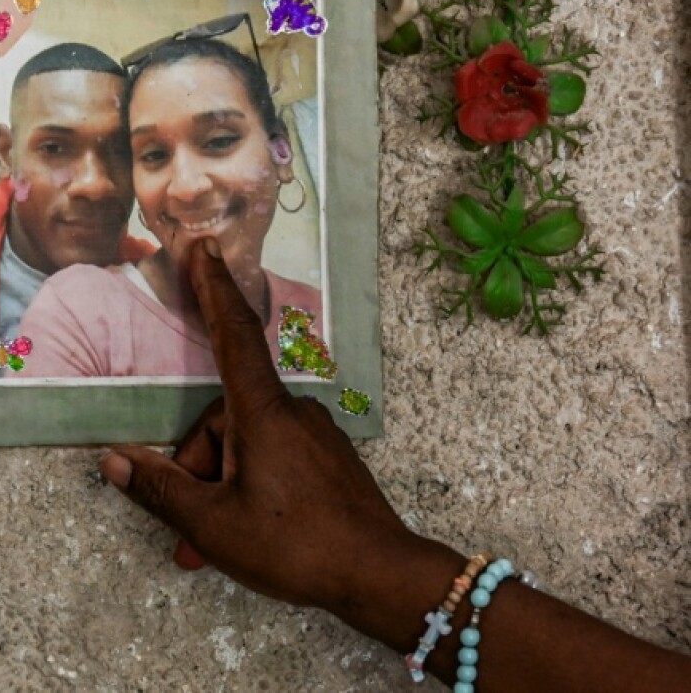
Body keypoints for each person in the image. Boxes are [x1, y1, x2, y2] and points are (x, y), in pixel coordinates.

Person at [98, 237, 691, 692]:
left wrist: (366, 569)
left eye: (221, 140)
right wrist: (371, 569)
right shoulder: (87, 302)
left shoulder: (306, 300)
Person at [14, 37, 320, 377]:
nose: (187, 188)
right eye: (154, 155)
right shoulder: (79, 315)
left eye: (219, 141)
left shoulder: (320, 316)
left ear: (281, 151)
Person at [0, 43, 154, 379]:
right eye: (54, 148)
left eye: (120, 150)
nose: (95, 185)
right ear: (5, 155)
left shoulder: (158, 288)